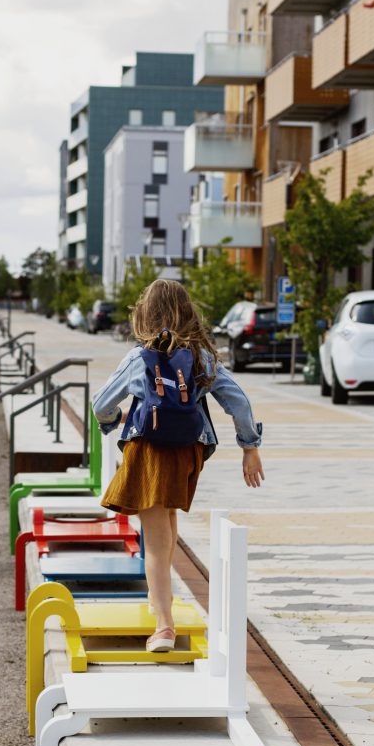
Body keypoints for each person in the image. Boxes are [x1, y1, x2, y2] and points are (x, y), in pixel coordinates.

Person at [91, 279, 264, 652]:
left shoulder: (139, 357)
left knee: (154, 538)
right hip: (188, 451)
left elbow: (100, 404)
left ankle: (163, 626)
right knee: (167, 521)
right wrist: (249, 447)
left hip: (149, 451)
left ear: (145, 314)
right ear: (188, 312)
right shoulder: (201, 357)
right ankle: (161, 602)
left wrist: (114, 419)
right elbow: (239, 401)